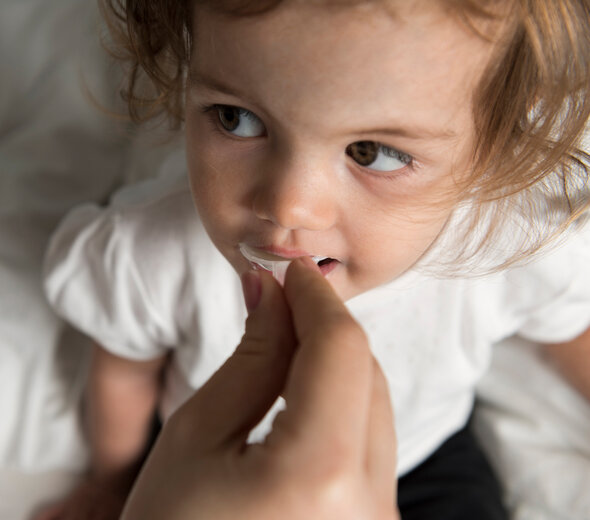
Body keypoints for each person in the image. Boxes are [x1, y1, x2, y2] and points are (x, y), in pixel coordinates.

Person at [39, 1, 590, 519]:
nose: (288, 205)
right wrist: (113, 482)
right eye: (235, 118)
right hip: (209, 464)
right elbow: (123, 367)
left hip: (418, 457)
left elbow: (568, 329)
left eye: (372, 153)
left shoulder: (506, 245)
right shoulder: (147, 251)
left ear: (492, 151)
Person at [121, 257, 398, 520]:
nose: (289, 210)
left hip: (407, 465)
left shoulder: (441, 293)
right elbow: (126, 372)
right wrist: (110, 479)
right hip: (183, 462)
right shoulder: (147, 260)